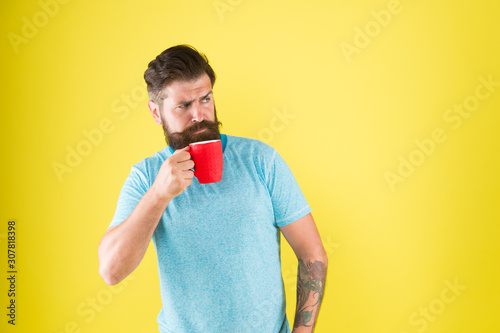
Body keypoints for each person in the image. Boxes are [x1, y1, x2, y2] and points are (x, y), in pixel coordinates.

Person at [98, 45, 328, 332]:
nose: (199, 115)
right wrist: (159, 194)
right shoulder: (146, 177)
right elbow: (111, 270)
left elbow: (312, 254)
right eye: (183, 106)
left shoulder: (261, 160)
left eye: (205, 99)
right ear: (156, 112)